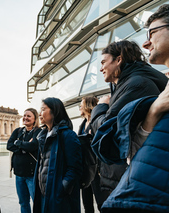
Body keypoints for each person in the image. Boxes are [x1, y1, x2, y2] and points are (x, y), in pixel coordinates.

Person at [93, 5, 169, 212]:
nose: (146, 43)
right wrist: (152, 114)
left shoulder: (137, 83)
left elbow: (112, 137)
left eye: (152, 32)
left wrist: (99, 109)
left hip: (131, 187)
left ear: (119, 60)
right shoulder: (134, 83)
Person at [33, 97, 82, 213]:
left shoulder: (68, 135)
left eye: (43, 109)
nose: (40, 113)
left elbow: (75, 168)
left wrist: (61, 189)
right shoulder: (42, 135)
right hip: (44, 194)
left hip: (58, 197)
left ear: (54, 111)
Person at [7, 108, 41, 213]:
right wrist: (24, 147)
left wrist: (18, 143)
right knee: (23, 202)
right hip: (19, 174)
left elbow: (33, 146)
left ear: (35, 118)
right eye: (24, 115)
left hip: (32, 174)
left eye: (29, 116)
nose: (25, 118)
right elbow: (9, 145)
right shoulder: (18, 131)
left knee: (37, 202)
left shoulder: (39, 131)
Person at [78, 97, 105, 213]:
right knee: (87, 203)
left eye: (81, 105)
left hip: (98, 168)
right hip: (86, 168)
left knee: (101, 202)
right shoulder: (82, 124)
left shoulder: (97, 121)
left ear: (88, 106)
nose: (79, 107)